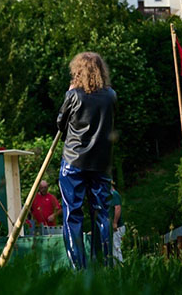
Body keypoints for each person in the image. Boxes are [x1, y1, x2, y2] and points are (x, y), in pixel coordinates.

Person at [57, 52, 117, 269]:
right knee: (102, 214)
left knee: (72, 215)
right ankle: (104, 266)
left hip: (74, 162)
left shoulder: (74, 95)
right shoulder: (111, 95)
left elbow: (61, 124)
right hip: (100, 163)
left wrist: (69, 93)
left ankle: (78, 269)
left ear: (78, 71)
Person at [111, 183, 125, 263]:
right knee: (114, 249)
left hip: (117, 227)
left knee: (116, 248)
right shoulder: (111, 195)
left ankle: (120, 267)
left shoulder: (114, 194)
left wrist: (115, 222)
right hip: (114, 226)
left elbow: (117, 208)